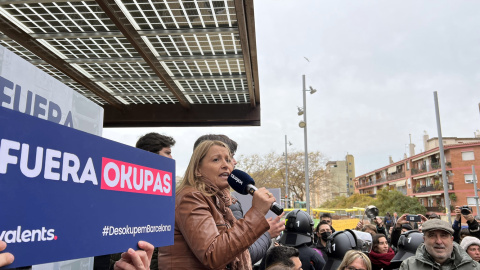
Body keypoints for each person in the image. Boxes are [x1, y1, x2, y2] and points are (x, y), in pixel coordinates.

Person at [157, 140, 275, 269]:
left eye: (228, 160)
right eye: (216, 160)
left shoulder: (219, 201)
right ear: (197, 170)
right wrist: (256, 212)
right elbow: (213, 254)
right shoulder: (190, 197)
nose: (226, 165)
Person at [193, 134, 285, 264]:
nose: (232, 163)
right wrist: (261, 222)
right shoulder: (193, 198)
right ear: (197, 166)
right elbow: (233, 254)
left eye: (228, 158)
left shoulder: (224, 200)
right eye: (217, 159)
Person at [399, 219, 480, 269]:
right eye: (432, 236)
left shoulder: (474, 267)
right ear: (424, 240)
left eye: (443, 236)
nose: (439, 241)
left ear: (451, 240)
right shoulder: (408, 266)